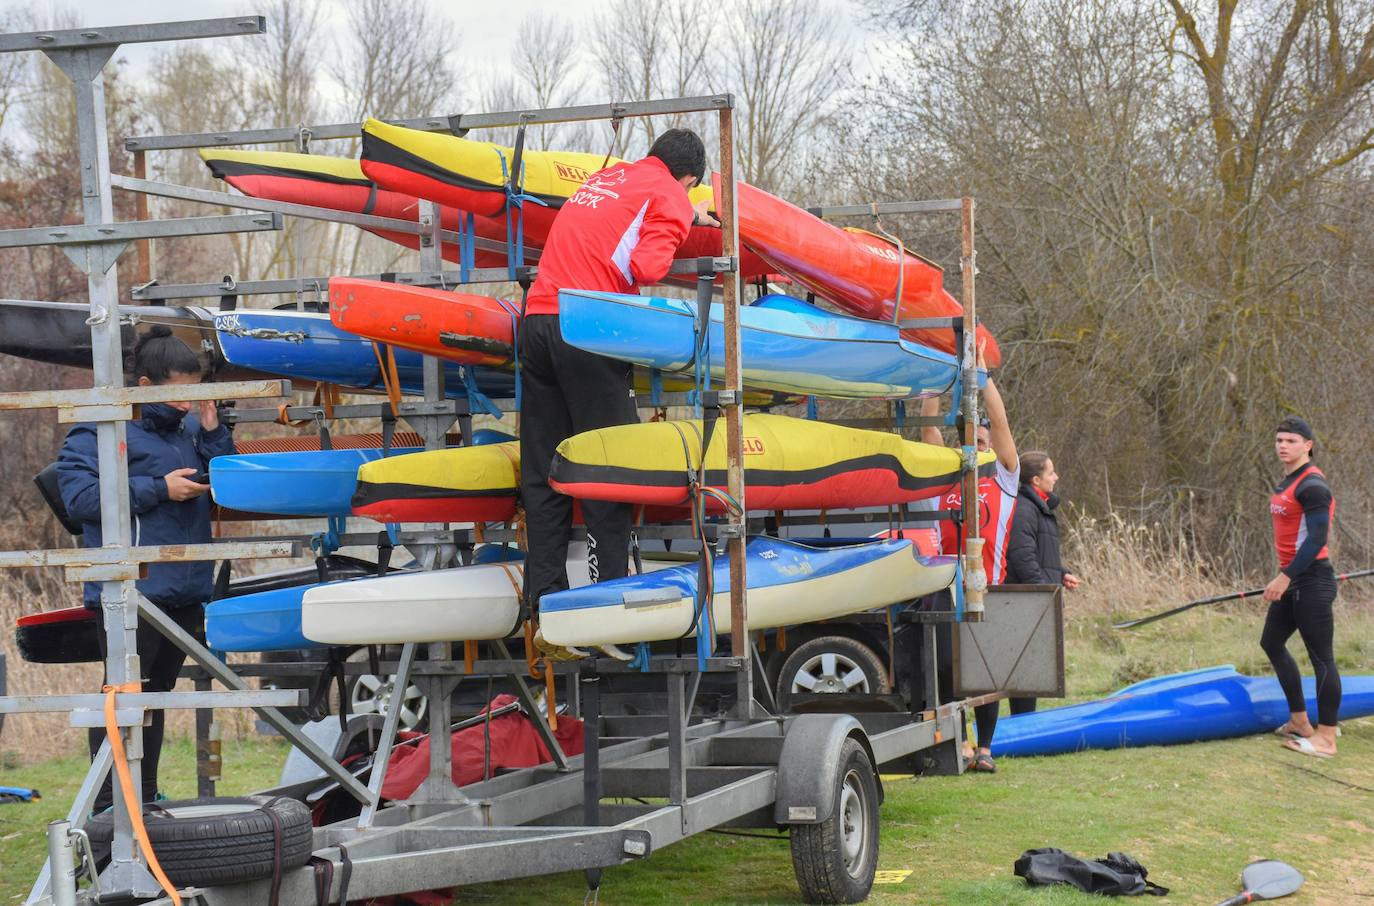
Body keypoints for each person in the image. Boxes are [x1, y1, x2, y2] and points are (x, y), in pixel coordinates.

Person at [519, 128, 717, 624]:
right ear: (689, 178)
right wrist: (685, 215)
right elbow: (647, 266)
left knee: (544, 470)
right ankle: (606, 601)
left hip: (538, 322)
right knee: (609, 465)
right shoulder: (669, 193)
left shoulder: (605, 178)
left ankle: (544, 602)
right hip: (588, 329)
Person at [57, 326, 235, 810]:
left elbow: (227, 483)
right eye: (177, 393)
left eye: (192, 392)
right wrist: (159, 488)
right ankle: (109, 807)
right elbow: (79, 500)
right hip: (130, 591)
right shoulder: (98, 430)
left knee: (155, 697)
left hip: (186, 589)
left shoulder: (191, 429)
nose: (187, 403)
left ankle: (144, 797)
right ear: (143, 386)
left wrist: (214, 433)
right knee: (123, 696)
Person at [917, 348, 1019, 773]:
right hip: (947, 588)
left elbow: (1000, 422)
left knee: (985, 671)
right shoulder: (944, 477)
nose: (973, 450)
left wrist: (982, 377)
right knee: (946, 668)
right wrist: (932, 380)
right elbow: (928, 431)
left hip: (989, 588)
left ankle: (985, 748)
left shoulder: (1004, 477)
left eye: (980, 443)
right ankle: (958, 741)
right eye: (967, 443)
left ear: (989, 447)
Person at [1262, 416, 1340, 758]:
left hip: (1312, 580)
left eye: (1291, 441)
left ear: (1307, 445)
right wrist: (1287, 576)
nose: (1283, 446)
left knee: (1321, 659)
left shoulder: (1312, 486)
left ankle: (1326, 739)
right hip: (1295, 578)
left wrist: (1284, 577)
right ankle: (1299, 721)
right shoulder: (1289, 480)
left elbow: (1317, 540)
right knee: (1271, 642)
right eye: (1279, 440)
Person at [1004, 450, 1081, 715]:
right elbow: (1023, 558)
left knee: (1031, 671)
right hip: (1028, 603)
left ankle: (1026, 722)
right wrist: (1043, 594)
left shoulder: (1039, 507)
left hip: (1038, 598)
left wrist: (1061, 573)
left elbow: (1040, 555)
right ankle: (1021, 725)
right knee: (1024, 670)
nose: (1056, 477)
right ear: (1036, 480)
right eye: (1051, 472)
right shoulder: (1025, 509)